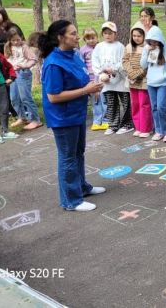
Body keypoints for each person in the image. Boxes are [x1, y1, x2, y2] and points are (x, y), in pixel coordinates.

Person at [39, 20, 105, 211]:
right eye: (73, 33)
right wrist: (86, 90)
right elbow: (53, 96)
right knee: (68, 156)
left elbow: (83, 80)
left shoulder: (73, 55)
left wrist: (94, 85)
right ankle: (71, 200)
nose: (77, 37)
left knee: (78, 152)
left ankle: (81, 187)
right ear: (61, 37)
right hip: (62, 117)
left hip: (77, 113)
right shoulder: (53, 62)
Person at [92, 22, 133, 135]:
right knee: (111, 103)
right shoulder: (99, 47)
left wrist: (114, 69)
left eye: (110, 33)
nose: (107, 35)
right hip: (107, 82)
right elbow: (95, 62)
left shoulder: (120, 46)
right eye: (105, 33)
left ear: (115, 34)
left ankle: (127, 124)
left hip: (120, 80)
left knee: (125, 102)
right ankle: (113, 124)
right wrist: (101, 73)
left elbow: (123, 61)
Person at [140, 26, 166, 142]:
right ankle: (158, 130)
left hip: (163, 82)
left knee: (161, 106)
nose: (153, 43)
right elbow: (143, 65)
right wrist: (146, 51)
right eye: (151, 41)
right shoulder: (148, 48)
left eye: (155, 41)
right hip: (151, 82)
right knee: (154, 107)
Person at [4, 28, 42, 130]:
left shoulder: (24, 47)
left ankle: (35, 120)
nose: (16, 42)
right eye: (13, 40)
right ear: (9, 40)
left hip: (23, 73)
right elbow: (6, 59)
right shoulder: (7, 47)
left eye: (18, 39)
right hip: (12, 74)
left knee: (25, 97)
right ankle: (22, 117)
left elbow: (33, 60)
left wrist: (24, 66)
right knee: (14, 98)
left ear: (21, 37)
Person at [122, 24, 152, 138]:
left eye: (139, 36)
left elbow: (147, 64)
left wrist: (137, 74)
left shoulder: (147, 48)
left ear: (144, 36)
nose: (136, 38)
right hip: (132, 80)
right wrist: (131, 73)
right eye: (134, 35)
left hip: (143, 79)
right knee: (135, 104)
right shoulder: (129, 47)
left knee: (144, 103)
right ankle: (138, 127)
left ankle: (146, 128)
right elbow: (124, 61)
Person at [78, 27, 108, 131]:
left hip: (102, 78)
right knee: (95, 101)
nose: (91, 40)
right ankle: (96, 121)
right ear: (84, 39)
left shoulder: (101, 47)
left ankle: (106, 120)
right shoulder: (82, 50)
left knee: (104, 99)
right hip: (90, 79)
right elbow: (82, 65)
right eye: (88, 38)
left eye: (93, 37)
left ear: (97, 37)